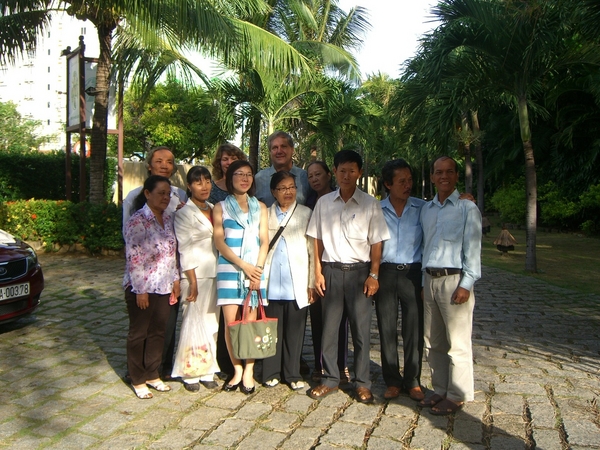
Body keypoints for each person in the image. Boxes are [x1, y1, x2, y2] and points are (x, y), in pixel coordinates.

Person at [306, 150, 390, 404]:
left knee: (361, 332)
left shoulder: (370, 204)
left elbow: (377, 242)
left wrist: (374, 274)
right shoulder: (323, 204)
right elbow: (316, 240)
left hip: (359, 274)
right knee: (329, 330)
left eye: (351, 170)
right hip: (331, 272)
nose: (346, 175)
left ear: (359, 173)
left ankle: (362, 382)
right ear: (335, 172)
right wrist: (317, 272)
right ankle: (330, 378)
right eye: (341, 170)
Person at [419, 156, 482, 415]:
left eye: (449, 172)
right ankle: (440, 388)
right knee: (433, 341)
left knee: (457, 341)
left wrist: (466, 284)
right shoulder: (427, 209)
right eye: (438, 172)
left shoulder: (467, 209)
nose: (443, 176)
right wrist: (425, 280)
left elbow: (473, 249)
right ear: (432, 177)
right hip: (430, 281)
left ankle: (457, 394)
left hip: (455, 281)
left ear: (456, 176)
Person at [122, 146, 186, 381]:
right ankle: (136, 373)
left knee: (164, 327)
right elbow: (131, 245)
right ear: (149, 165)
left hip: (167, 278)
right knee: (141, 329)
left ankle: (158, 369)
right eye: (159, 161)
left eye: (169, 161)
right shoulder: (136, 198)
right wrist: (140, 287)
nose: (164, 165)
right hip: (143, 279)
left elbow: (178, 240)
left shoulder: (179, 197)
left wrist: (176, 277)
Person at [213, 159, 269, 394]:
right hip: (229, 270)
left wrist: (256, 269)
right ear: (230, 178)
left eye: (249, 174)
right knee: (231, 324)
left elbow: (264, 240)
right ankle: (236, 369)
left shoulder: (261, 207)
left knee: (249, 322)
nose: (245, 178)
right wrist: (242, 265)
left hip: (254, 272)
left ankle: (249, 370)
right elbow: (219, 241)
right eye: (239, 174)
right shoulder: (220, 207)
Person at [375, 159, 426, 401]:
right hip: (385, 273)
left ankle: (413, 380)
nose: (408, 185)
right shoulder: (376, 210)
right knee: (386, 328)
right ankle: (393, 380)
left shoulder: (422, 208)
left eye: (410, 180)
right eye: (401, 181)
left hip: (412, 274)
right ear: (388, 184)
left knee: (413, 329)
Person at [262, 171, 314, 390]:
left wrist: (312, 281)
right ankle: (270, 372)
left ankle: (292, 374)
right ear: (274, 192)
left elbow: (313, 250)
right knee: (270, 332)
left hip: (297, 281)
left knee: (295, 331)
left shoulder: (306, 214)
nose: (288, 192)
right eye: (282, 188)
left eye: (292, 187)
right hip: (272, 282)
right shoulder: (265, 214)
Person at [173, 166, 220, 392]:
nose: (204, 186)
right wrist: (191, 280)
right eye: (198, 182)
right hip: (195, 275)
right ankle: (190, 373)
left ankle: (208, 369)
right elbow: (185, 248)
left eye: (207, 181)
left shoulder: (213, 208)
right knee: (192, 322)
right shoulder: (184, 213)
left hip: (215, 273)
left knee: (212, 323)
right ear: (189, 186)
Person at [305, 161, 351, 384]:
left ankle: (341, 364)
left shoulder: (340, 197)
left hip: (337, 266)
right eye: (310, 176)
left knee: (339, 320)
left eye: (318, 174)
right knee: (317, 320)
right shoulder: (308, 202)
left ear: (328, 175)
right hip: (314, 268)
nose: (314, 179)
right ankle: (319, 363)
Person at [208, 143, 247, 379]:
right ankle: (223, 362)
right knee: (221, 315)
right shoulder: (212, 190)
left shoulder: (246, 191)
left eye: (233, 158)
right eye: (224, 159)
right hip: (216, 257)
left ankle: (245, 360)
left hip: (241, 259)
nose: (228, 162)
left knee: (240, 315)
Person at [254, 131, 310, 207]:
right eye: (275, 148)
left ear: (292, 149)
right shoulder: (259, 179)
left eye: (283, 146)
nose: (279, 151)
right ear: (270, 152)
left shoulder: (305, 178)